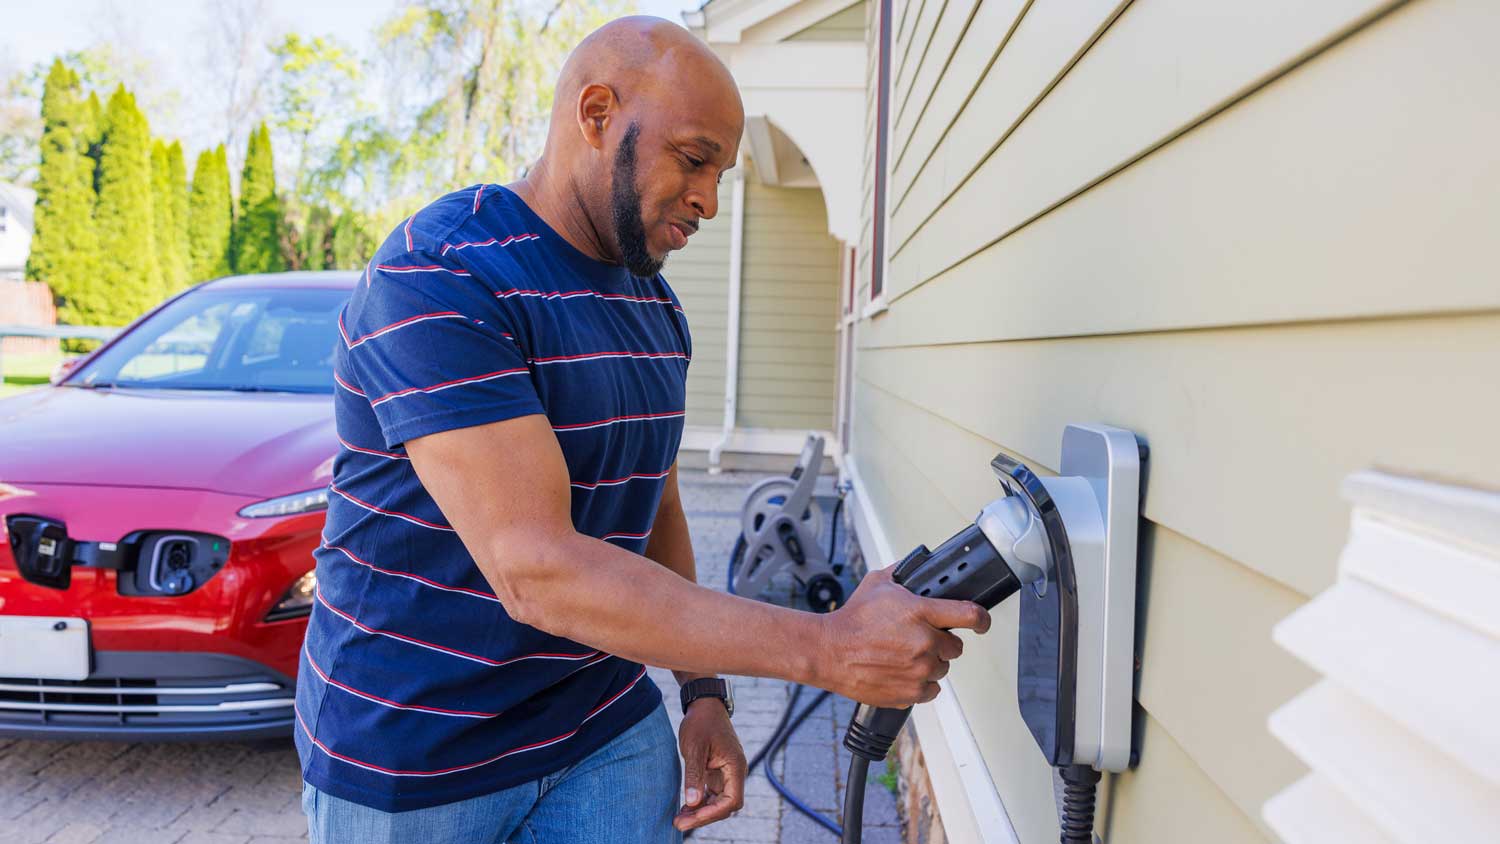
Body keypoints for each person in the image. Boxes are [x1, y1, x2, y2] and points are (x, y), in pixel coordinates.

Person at [295, 16, 990, 844]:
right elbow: (537, 570)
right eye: (694, 159)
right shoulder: (443, 274)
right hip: (419, 761)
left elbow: (652, 509)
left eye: (722, 173)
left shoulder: (656, 312)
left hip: (605, 737)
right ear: (596, 115)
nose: (709, 200)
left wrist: (702, 691)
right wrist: (828, 649)